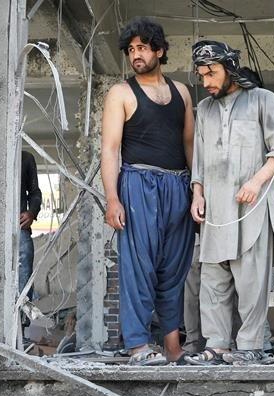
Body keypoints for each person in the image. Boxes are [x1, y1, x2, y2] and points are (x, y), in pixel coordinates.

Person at [186, 39, 274, 366]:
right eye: (202, 76)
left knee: (251, 281)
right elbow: (199, 160)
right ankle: (216, 345)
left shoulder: (263, 100)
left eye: (212, 73)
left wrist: (257, 182)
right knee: (213, 281)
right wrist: (197, 194)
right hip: (216, 207)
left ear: (229, 68)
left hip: (252, 206)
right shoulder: (203, 109)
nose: (206, 82)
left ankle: (249, 346)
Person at [102, 17, 196, 365]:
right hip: (138, 184)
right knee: (139, 267)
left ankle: (173, 349)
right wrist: (113, 199)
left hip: (178, 184)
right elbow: (110, 150)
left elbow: (190, 145)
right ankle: (139, 344)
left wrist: (196, 189)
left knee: (174, 269)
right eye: (130, 50)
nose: (135, 55)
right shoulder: (121, 93)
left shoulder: (182, 92)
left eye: (142, 47)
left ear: (159, 49)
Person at [18, 150, 42, 305]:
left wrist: (31, 212)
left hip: (19, 226)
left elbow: (35, 192)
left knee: (24, 270)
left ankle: (22, 319)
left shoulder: (25, 158)